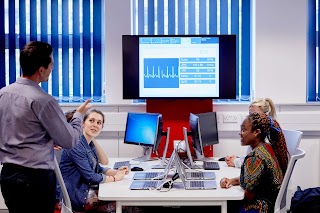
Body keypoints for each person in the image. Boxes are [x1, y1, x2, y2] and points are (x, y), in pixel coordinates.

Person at [0, 41, 92, 213]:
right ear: (41, 70)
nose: (52, 69)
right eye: (51, 65)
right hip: (35, 181)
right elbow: (70, 140)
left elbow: (15, 131)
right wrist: (79, 115)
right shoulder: (43, 101)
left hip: (8, 176)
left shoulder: (3, 94)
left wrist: (44, 142)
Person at [59, 109, 130, 212]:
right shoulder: (76, 145)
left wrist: (117, 172)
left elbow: (98, 168)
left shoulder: (89, 144)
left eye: (99, 123)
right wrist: (115, 178)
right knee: (129, 206)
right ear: (83, 124)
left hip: (87, 192)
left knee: (124, 197)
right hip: (79, 198)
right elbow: (91, 176)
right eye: (91, 121)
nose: (95, 125)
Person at [220, 112, 289, 213]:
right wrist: (232, 181)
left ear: (256, 132)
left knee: (220, 206)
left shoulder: (255, 157)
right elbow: (255, 179)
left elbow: (249, 193)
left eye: (243, 129)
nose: (240, 133)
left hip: (262, 207)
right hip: (271, 204)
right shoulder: (266, 147)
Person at [225, 98, 285, 168]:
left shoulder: (267, 139)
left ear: (265, 115)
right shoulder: (256, 135)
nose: (251, 118)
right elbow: (252, 157)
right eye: (250, 114)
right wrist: (237, 159)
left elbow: (255, 163)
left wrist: (235, 161)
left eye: (255, 115)